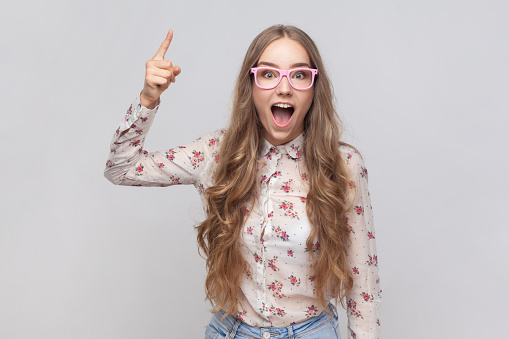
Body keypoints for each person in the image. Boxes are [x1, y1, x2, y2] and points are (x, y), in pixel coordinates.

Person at [105, 25, 381, 339]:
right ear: (251, 85)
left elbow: (364, 285)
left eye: (299, 75)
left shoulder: (343, 166)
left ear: (314, 88)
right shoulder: (216, 153)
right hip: (230, 332)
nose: (284, 88)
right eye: (268, 74)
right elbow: (120, 168)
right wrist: (148, 98)